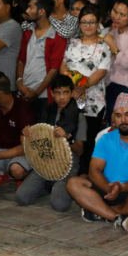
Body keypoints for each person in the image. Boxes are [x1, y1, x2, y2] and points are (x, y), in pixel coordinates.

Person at [66, 93, 128, 232]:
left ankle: (98, 210)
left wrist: (121, 188)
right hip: (106, 189)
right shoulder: (106, 139)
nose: (123, 119)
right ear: (113, 119)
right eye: (118, 115)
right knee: (73, 183)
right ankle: (116, 217)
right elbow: (94, 170)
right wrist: (109, 189)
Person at [18, 75, 86, 211]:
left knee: (59, 205)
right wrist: (28, 133)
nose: (62, 97)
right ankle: (49, 185)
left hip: (68, 166)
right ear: (52, 94)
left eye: (66, 92)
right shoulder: (47, 111)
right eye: (58, 93)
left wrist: (67, 139)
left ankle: (60, 187)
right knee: (22, 197)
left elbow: (80, 150)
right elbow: (35, 141)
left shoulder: (78, 116)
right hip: (46, 161)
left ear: (72, 93)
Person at [61, 5, 111, 171]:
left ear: (98, 23)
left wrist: (80, 88)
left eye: (92, 22)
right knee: (70, 137)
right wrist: (72, 87)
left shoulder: (104, 46)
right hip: (70, 99)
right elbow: (63, 67)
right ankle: (67, 172)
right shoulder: (72, 43)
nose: (88, 25)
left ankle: (86, 175)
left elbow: (101, 72)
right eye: (84, 22)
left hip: (93, 101)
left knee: (89, 141)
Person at [0, 72, 36, 188]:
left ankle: (25, 176)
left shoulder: (23, 108)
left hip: (20, 153)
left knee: (17, 170)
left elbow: (25, 147)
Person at [17, 0, 66, 120]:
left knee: (43, 135)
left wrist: (37, 92)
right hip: (24, 91)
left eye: (30, 7)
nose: (27, 11)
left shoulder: (57, 38)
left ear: (41, 11)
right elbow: (21, 60)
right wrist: (19, 84)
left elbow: (54, 69)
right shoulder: (27, 33)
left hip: (44, 95)